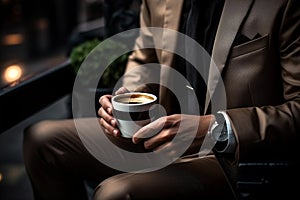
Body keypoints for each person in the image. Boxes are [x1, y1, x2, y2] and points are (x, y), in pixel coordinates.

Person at [23, 0, 300, 199]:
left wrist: (213, 127)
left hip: (234, 157)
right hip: (158, 137)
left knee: (115, 194)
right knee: (43, 140)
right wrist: (122, 101)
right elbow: (144, 58)